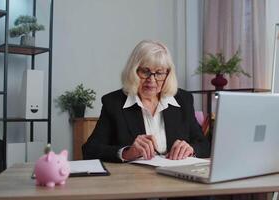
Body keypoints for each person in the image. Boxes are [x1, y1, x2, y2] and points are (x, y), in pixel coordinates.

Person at [82, 40, 210, 163]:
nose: (152, 80)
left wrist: (191, 149)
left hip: (175, 179)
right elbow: (90, 150)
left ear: (168, 74)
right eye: (145, 71)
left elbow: (204, 145)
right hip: (132, 181)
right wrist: (127, 153)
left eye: (159, 73)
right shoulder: (114, 103)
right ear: (133, 71)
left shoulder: (183, 100)